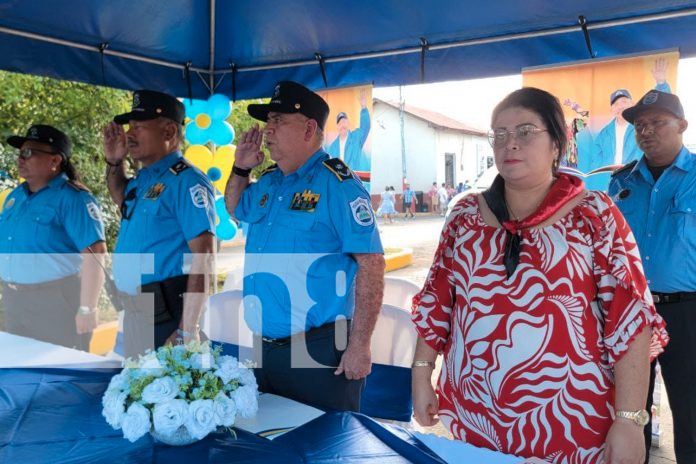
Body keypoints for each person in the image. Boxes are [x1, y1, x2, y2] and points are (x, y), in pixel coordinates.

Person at [411, 87, 668, 462]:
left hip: (571, 423)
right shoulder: (464, 218)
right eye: (499, 134)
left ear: (556, 144)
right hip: (475, 418)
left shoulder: (594, 214)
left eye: (525, 132)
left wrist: (629, 420)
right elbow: (436, 303)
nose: (510, 144)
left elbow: (630, 320)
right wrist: (421, 372)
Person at [224, 80, 385, 412]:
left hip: (319, 352)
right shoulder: (270, 180)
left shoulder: (338, 184)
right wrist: (241, 167)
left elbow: (371, 263)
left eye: (278, 121)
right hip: (265, 349)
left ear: (310, 128)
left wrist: (360, 345)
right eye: (268, 121)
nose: (268, 129)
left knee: (324, 450)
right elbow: (235, 207)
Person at [608, 90, 696, 463]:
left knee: (691, 413)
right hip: (631, 314)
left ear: (682, 124)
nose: (646, 131)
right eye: (640, 125)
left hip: (686, 313)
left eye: (657, 122)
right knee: (629, 413)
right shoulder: (621, 182)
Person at [102, 90, 216, 357]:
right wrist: (114, 162)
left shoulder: (187, 181)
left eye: (139, 127)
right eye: (130, 126)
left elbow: (205, 255)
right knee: (136, 393)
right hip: (135, 314)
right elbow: (121, 198)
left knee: (161, 396)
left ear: (168, 132)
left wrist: (188, 329)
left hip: (169, 318)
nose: (130, 133)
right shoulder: (143, 179)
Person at [0, 124, 106, 350]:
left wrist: (87, 308)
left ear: (55, 161)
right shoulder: (16, 196)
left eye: (29, 153)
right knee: (21, 375)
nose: (21, 158)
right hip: (14, 300)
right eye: (20, 153)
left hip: (56, 302)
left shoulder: (73, 198)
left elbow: (95, 254)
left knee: (59, 376)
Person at [591, 58, 671, 168]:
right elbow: (596, 158)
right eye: (616, 104)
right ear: (612, 110)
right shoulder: (604, 133)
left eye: (624, 101)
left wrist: (661, 84)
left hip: (636, 179)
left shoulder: (643, 127)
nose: (620, 106)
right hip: (610, 181)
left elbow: (660, 109)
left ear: (633, 104)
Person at [325, 88, 371, 172]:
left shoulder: (356, 137)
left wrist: (364, 108)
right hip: (338, 183)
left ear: (348, 124)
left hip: (354, 181)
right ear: (337, 127)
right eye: (340, 123)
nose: (342, 125)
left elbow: (365, 127)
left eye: (344, 121)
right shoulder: (332, 147)